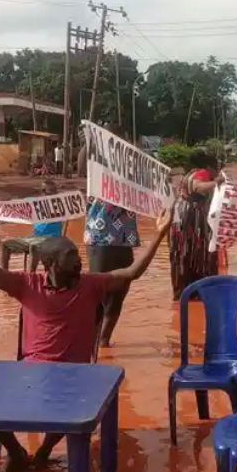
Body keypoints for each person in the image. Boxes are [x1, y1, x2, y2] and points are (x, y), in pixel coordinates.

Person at [0, 184, 173, 472]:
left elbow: (132, 273)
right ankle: (16, 452)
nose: (79, 259)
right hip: (29, 374)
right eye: (71, 255)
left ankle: (43, 452)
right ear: (50, 264)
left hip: (74, 377)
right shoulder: (26, 284)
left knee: (73, 402)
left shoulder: (90, 284)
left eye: (77, 254)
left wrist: (160, 233)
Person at [84, 123, 141, 347]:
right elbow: (82, 165)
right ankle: (93, 339)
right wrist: (91, 142)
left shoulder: (132, 166)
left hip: (125, 237)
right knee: (98, 291)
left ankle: (103, 341)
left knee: (120, 289)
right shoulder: (94, 160)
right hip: (99, 236)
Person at [169, 149, 224, 300]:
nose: (219, 172)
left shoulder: (188, 174)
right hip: (192, 220)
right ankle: (202, 292)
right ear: (210, 167)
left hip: (179, 217)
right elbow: (198, 187)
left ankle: (182, 292)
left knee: (182, 254)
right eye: (217, 169)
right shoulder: (202, 173)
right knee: (200, 253)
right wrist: (216, 183)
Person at [0, 179, 64, 272]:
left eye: (55, 191)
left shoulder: (60, 204)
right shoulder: (34, 203)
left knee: (34, 246)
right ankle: (4, 275)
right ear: (42, 191)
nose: (54, 194)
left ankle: (30, 277)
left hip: (52, 239)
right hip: (35, 238)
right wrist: (5, 203)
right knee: (5, 245)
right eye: (51, 191)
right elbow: (18, 205)